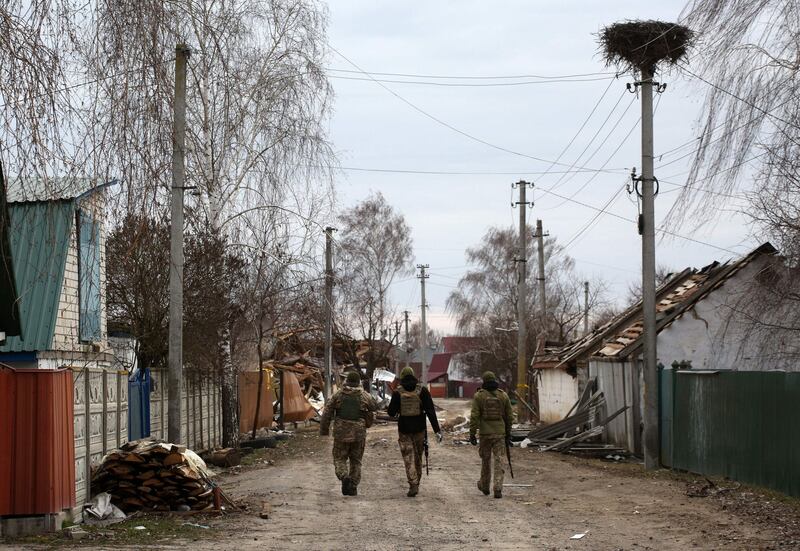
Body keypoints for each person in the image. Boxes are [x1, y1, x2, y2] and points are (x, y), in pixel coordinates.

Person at [387, 366, 443, 497]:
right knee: (418, 457)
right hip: (419, 430)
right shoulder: (422, 391)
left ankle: (413, 483)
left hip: (404, 430)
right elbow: (430, 411)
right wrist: (437, 430)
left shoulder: (397, 392)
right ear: (413, 376)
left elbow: (391, 412)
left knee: (408, 458)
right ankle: (416, 482)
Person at [319, 370, 378, 496]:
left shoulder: (338, 395)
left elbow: (327, 412)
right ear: (358, 383)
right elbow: (374, 406)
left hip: (341, 433)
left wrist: (324, 430)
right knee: (356, 461)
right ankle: (353, 486)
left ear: (347, 382)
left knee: (339, 458)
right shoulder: (364, 396)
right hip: (359, 434)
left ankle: (344, 476)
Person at [469, 371, 513, 499]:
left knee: (485, 461)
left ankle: (485, 486)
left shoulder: (479, 396)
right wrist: (508, 433)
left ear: (484, 381)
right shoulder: (503, 395)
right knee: (499, 461)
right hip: (499, 434)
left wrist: (472, 433)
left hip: (485, 434)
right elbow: (509, 417)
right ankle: (498, 488)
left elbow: (474, 416)